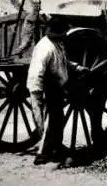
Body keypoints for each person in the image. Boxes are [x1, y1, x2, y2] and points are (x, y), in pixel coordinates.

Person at [26, 17, 89, 166]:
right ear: (53, 32)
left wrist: (78, 68)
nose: (65, 35)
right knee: (48, 122)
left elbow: (63, 62)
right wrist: (37, 94)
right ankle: (42, 154)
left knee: (58, 118)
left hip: (56, 87)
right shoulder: (45, 48)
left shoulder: (57, 43)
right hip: (44, 87)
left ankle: (56, 147)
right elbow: (36, 73)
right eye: (63, 33)